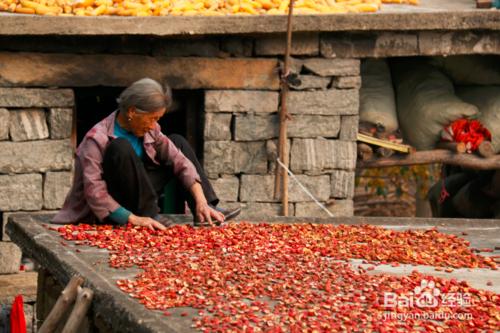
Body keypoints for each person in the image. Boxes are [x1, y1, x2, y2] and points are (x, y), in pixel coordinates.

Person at [53, 78, 240, 230]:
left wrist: (200, 200)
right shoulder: (96, 138)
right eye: (152, 118)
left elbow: (179, 160)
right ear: (132, 111)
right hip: (116, 205)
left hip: (143, 192)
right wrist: (134, 219)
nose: (153, 125)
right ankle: (150, 214)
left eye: (157, 119)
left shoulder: (152, 130)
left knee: (178, 142)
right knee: (120, 147)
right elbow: (95, 193)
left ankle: (206, 209)